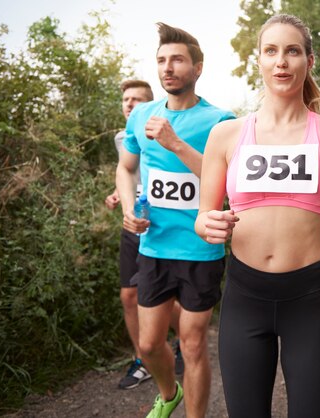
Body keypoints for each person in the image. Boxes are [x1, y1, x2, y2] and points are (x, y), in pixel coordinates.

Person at [195, 14, 320, 418]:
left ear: (310, 60)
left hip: (310, 297)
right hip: (245, 294)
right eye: (271, 51)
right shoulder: (227, 134)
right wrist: (208, 224)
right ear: (258, 61)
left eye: (292, 51)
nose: (281, 62)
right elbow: (204, 214)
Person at [116, 23, 235, 418]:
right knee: (149, 345)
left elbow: (228, 182)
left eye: (178, 60)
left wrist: (176, 143)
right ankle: (169, 394)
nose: (168, 68)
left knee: (194, 341)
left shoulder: (221, 120)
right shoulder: (142, 115)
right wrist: (128, 209)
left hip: (200, 248)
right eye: (162, 61)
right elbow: (126, 166)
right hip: (154, 245)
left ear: (197, 68)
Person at [105, 80, 185, 390]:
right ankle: (143, 359)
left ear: (151, 106)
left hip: (162, 221)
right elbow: (129, 172)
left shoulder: (164, 131)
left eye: (137, 99)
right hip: (133, 222)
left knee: (161, 297)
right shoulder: (120, 137)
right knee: (129, 295)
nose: (130, 104)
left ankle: (182, 337)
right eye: (126, 99)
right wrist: (117, 197)